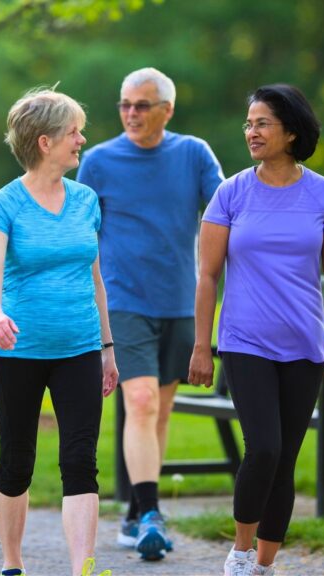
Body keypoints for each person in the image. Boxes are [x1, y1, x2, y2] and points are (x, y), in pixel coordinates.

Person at [187, 84, 324, 576]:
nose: (251, 132)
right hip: (245, 341)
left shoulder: (322, 192)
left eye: (262, 123)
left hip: (304, 344)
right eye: (249, 123)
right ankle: (239, 554)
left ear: (291, 132)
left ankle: (263, 565)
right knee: (264, 447)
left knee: (285, 458)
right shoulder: (231, 192)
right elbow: (208, 275)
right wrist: (203, 345)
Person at [76, 67, 224, 561]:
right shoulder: (97, 162)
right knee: (139, 402)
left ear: (168, 109)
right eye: (124, 105)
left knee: (157, 411)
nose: (131, 114)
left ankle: (137, 510)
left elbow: (225, 211)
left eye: (142, 105)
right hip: (123, 301)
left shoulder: (193, 154)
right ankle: (152, 516)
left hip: (180, 302)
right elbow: (81, 235)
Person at [0, 88, 119, 576]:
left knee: (80, 460)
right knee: (17, 460)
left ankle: (83, 567)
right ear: (45, 141)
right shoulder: (5, 203)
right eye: (73, 132)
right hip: (18, 352)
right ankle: (12, 564)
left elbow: (96, 278)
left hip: (80, 348)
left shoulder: (86, 200)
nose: (82, 139)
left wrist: (107, 347)